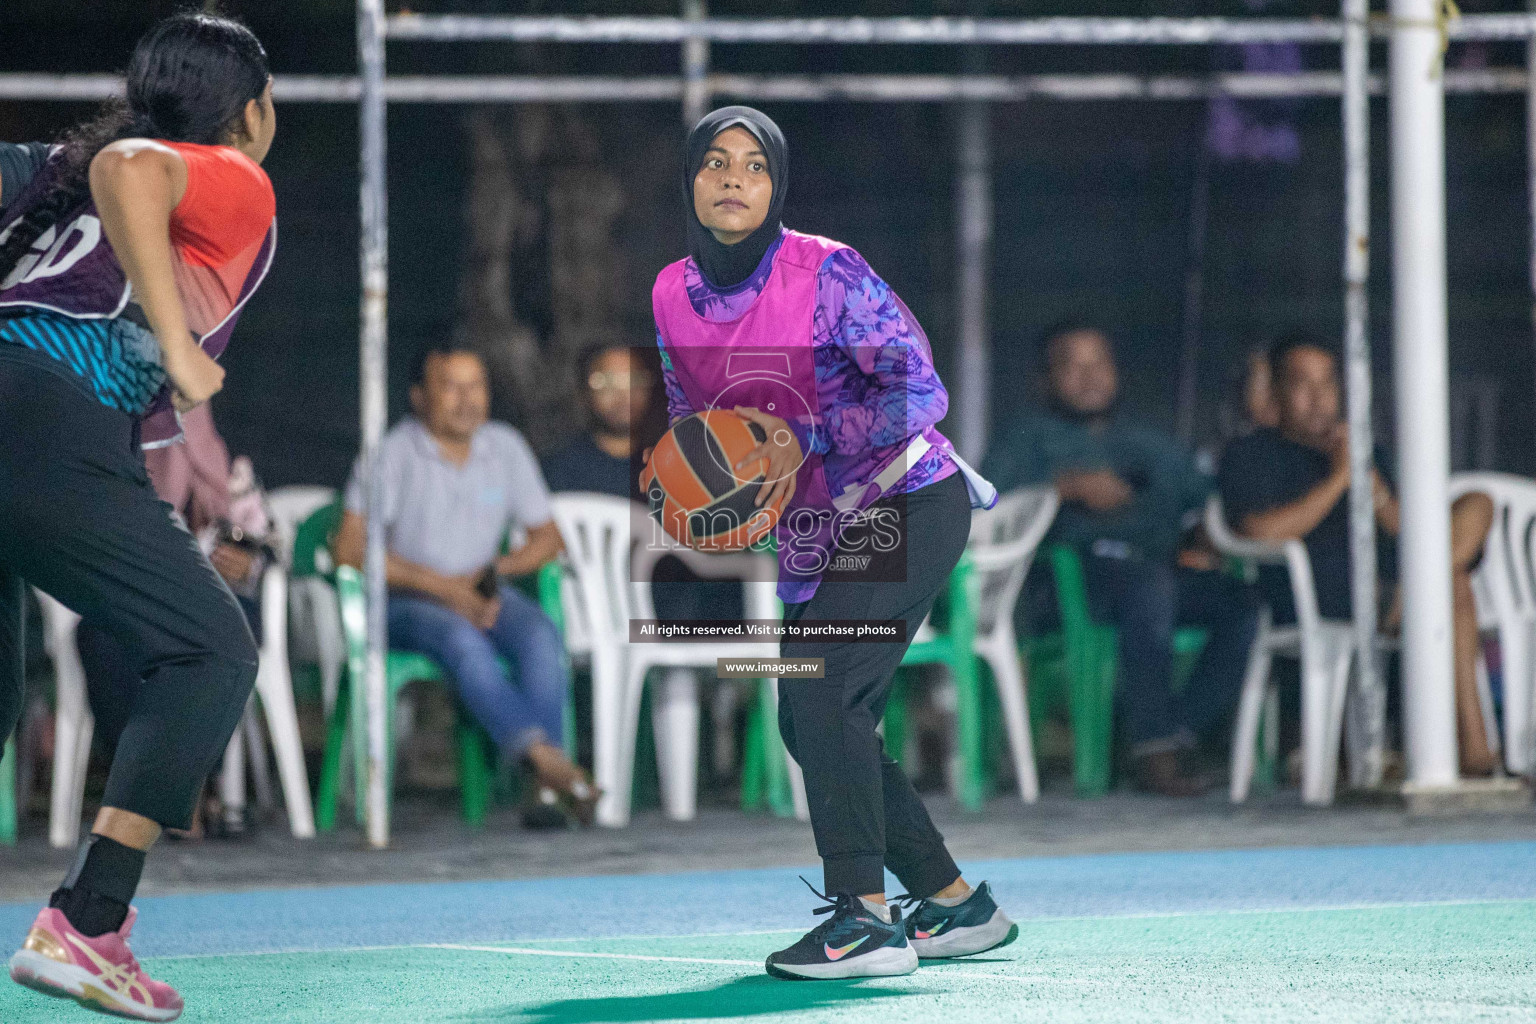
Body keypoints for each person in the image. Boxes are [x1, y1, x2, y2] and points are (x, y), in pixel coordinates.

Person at [647, 106, 1015, 981]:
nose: (733, 179)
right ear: (691, 182)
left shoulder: (828, 273)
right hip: (819, 527)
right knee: (807, 717)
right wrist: (708, 483)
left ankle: (864, 919)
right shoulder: (671, 292)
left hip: (907, 497)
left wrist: (800, 433)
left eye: (754, 167)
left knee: (821, 696)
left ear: (777, 189)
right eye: (715, 163)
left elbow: (921, 393)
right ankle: (956, 903)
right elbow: (687, 412)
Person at [0, 14, 277, 1020]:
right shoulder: (227, 173)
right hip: (43, 421)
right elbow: (132, 168)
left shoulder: (47, 177)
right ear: (252, 113)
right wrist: (178, 339)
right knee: (210, 652)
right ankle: (89, 920)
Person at [982, 324, 1260, 797]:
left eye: (1099, 363)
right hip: (1067, 583)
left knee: (1246, 605)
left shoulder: (1148, 440)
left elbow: (1206, 503)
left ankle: (1167, 732)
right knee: (1148, 586)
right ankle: (1155, 753)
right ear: (1045, 380)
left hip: (1159, 572)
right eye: (1073, 364)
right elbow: (981, 509)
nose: (1089, 376)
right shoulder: (1026, 438)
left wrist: (1203, 541)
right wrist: (1062, 488)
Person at [333, 342, 599, 827]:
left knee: (540, 634)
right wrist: (444, 588)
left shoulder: (505, 446)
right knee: (462, 640)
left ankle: (543, 792)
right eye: (449, 386)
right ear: (418, 397)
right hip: (405, 603)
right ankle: (547, 763)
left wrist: (492, 574)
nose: (466, 399)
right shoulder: (391, 453)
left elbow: (548, 539)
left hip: (484, 593)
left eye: (475, 385)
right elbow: (348, 548)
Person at [1218, 333, 1497, 775]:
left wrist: (1373, 486)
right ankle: (1477, 752)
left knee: (1477, 503)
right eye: (1302, 384)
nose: (1318, 398)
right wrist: (1337, 480)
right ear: (1275, 393)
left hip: (1390, 590)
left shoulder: (1366, 451)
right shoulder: (1252, 454)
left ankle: (1420, 587)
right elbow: (1259, 531)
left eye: (1328, 384)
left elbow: (1411, 532)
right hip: (1321, 598)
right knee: (1453, 587)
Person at [75, 404, 274, 839]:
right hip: (132, 598)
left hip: (214, 600)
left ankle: (193, 787)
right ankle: (146, 793)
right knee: (103, 638)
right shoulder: (111, 453)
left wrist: (244, 560)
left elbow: (266, 544)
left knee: (225, 642)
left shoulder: (230, 472)